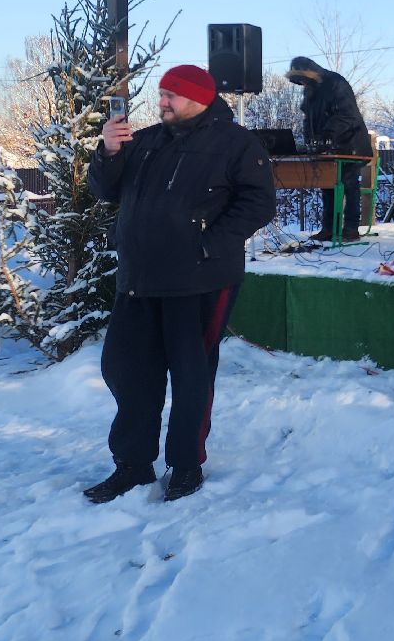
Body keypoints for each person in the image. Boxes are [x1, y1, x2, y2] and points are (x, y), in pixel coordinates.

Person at [83, 64, 276, 504]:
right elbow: (106, 191)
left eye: (172, 95)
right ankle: (132, 466)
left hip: (199, 280)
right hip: (139, 278)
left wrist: (207, 245)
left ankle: (186, 465)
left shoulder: (236, 143)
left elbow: (259, 203)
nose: (163, 101)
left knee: (191, 376)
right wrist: (109, 152)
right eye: (162, 93)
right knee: (127, 371)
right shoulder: (145, 139)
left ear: (200, 99)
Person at [285, 55, 373, 241]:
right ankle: (329, 228)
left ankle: (350, 229)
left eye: (302, 80)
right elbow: (308, 118)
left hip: (351, 144)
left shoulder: (336, 83)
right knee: (327, 184)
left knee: (349, 185)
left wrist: (326, 135)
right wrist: (310, 140)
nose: (302, 84)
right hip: (329, 147)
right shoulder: (310, 90)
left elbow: (347, 116)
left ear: (310, 74)